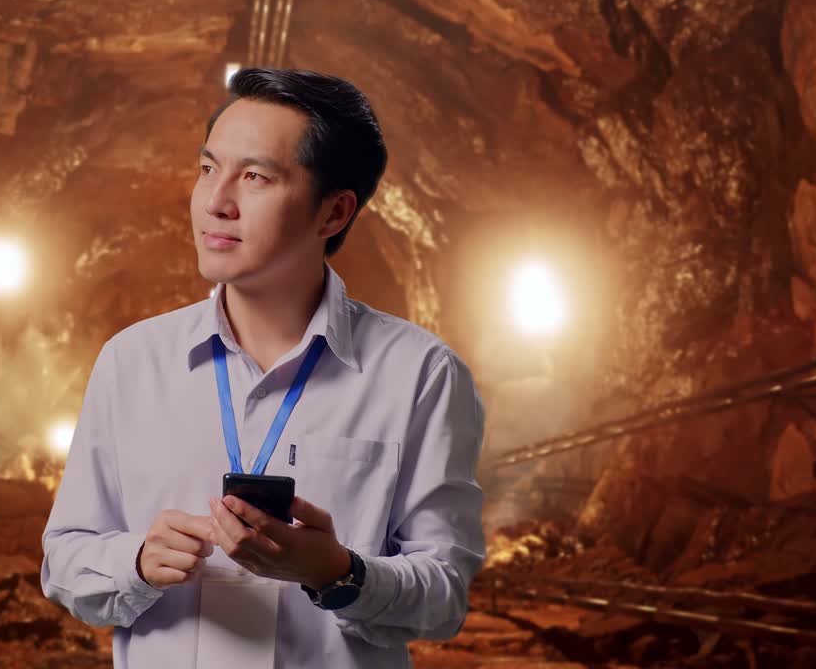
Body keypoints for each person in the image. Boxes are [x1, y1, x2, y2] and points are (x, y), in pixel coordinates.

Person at [40, 68, 486, 668]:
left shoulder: (419, 375)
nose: (216, 202)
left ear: (334, 212)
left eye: (254, 177)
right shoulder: (132, 362)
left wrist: (339, 572)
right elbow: (63, 562)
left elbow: (444, 597)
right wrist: (137, 563)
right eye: (206, 169)